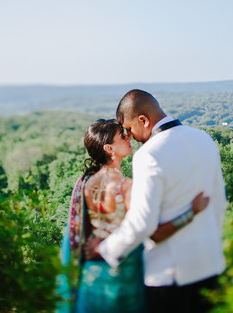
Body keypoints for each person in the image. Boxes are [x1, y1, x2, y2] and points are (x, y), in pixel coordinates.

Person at [85, 90, 227, 313]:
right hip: (211, 265)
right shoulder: (204, 138)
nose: (131, 136)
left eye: (130, 128)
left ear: (143, 120)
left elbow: (143, 223)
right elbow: (218, 202)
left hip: (171, 277)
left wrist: (105, 250)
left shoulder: (149, 155)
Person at [59, 119, 210, 313]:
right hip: (123, 281)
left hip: (91, 278)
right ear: (108, 148)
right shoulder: (127, 187)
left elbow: (84, 233)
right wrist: (191, 213)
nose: (128, 136)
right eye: (122, 136)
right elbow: (152, 232)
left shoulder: (85, 183)